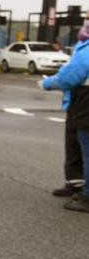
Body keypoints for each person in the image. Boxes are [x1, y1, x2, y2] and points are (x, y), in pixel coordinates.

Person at [41, 21, 89, 212]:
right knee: (75, 144)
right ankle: (75, 183)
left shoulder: (86, 49)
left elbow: (71, 75)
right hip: (80, 103)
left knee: (86, 147)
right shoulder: (83, 46)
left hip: (85, 103)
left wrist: (47, 83)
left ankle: (86, 197)